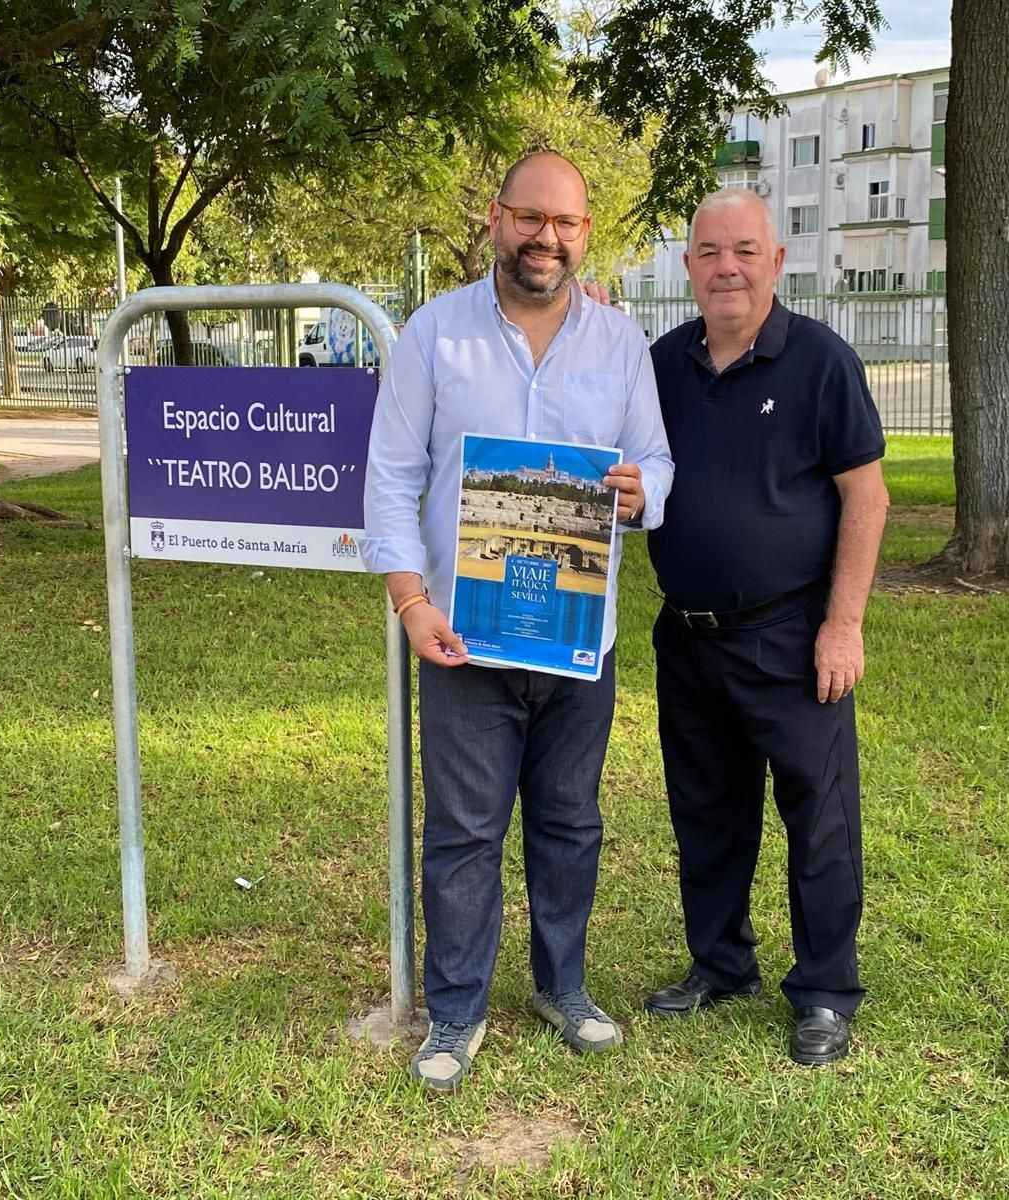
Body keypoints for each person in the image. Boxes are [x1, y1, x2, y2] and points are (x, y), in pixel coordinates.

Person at [362, 151, 674, 1093]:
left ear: (586, 234)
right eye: (531, 218)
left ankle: (562, 988)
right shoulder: (431, 334)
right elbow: (391, 477)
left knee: (571, 822)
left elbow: (656, 460)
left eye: (567, 224)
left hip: (579, 637)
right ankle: (455, 1013)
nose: (548, 239)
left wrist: (637, 492)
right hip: (461, 634)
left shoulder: (621, 344)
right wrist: (410, 602)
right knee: (462, 829)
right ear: (497, 218)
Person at [639, 187, 888, 1066]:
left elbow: (867, 493)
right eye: (710, 253)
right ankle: (721, 965)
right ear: (689, 268)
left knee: (818, 817)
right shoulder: (660, 363)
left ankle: (824, 992)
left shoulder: (821, 361)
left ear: (776, 262)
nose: (727, 267)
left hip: (792, 636)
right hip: (689, 637)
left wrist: (843, 624)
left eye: (745, 250)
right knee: (706, 813)